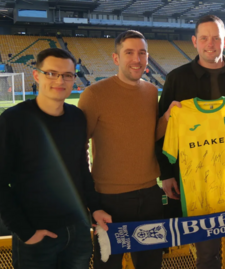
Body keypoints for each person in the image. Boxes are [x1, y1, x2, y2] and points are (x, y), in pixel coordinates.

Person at [0, 48, 112, 268]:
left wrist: (96, 208)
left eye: (67, 75)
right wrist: (26, 232)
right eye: (51, 73)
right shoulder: (12, 121)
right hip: (38, 235)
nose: (59, 80)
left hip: (78, 232)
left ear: (74, 79)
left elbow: (81, 167)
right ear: (36, 75)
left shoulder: (76, 117)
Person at [156, 14, 225, 269]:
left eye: (216, 38)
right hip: (196, 183)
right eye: (204, 38)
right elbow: (161, 129)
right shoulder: (177, 78)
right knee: (206, 255)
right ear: (195, 41)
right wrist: (167, 174)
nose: (210, 44)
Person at [78, 30, 165, 269]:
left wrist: (167, 119)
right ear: (116, 58)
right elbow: (78, 148)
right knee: (108, 265)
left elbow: (149, 137)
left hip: (149, 196)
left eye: (142, 53)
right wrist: (91, 199)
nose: (137, 59)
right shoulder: (93, 94)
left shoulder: (151, 92)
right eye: (129, 53)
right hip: (109, 201)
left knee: (151, 265)